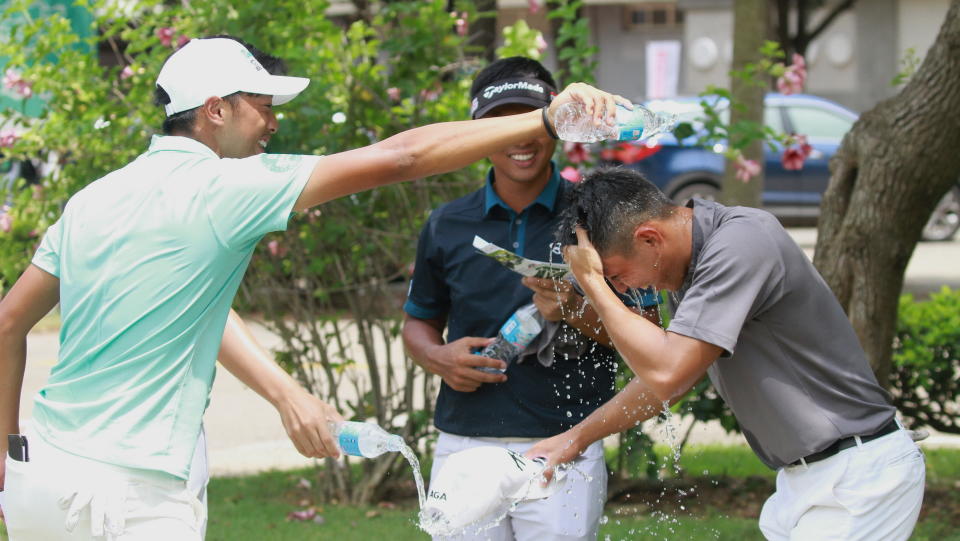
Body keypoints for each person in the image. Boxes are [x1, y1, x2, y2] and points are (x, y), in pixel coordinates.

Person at [0, 35, 621, 540]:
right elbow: (402, 158)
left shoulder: (93, 199)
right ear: (216, 110)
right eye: (262, 106)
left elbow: (9, 324)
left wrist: (5, 464)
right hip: (136, 493)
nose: (272, 122)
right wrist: (543, 119)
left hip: (41, 476)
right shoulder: (229, 187)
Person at [526, 167, 927, 540]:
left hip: (858, 477)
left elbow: (667, 372)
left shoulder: (742, 242)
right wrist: (576, 438)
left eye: (617, 275)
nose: (624, 289)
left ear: (650, 238)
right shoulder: (689, 265)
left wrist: (593, 285)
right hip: (806, 479)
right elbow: (665, 384)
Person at [402, 57, 660, 541]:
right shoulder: (446, 223)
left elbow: (651, 341)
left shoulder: (601, 216)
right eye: (502, 121)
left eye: (532, 118)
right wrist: (439, 357)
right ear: (477, 131)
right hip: (464, 440)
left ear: (559, 124)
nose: (521, 137)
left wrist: (574, 308)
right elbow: (417, 323)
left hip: (566, 443)